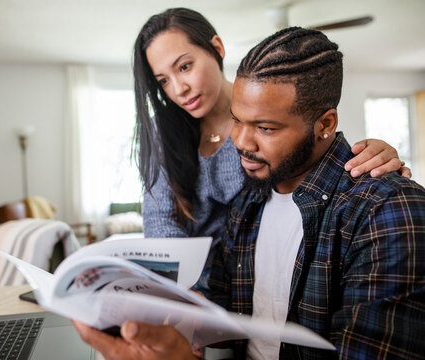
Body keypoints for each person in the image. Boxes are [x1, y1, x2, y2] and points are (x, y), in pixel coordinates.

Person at [73, 26, 425, 359]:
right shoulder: (248, 201)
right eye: (236, 120)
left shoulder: (387, 210)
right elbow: (217, 307)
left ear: (326, 124)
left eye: (265, 127)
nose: (240, 141)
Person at [134, 8, 410, 292]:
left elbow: (311, 153)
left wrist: (373, 154)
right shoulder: (163, 131)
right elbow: (160, 222)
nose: (179, 89)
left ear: (216, 48)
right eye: (162, 81)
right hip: (199, 283)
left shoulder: (277, 122)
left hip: (256, 274)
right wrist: (180, 290)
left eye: (184, 67)